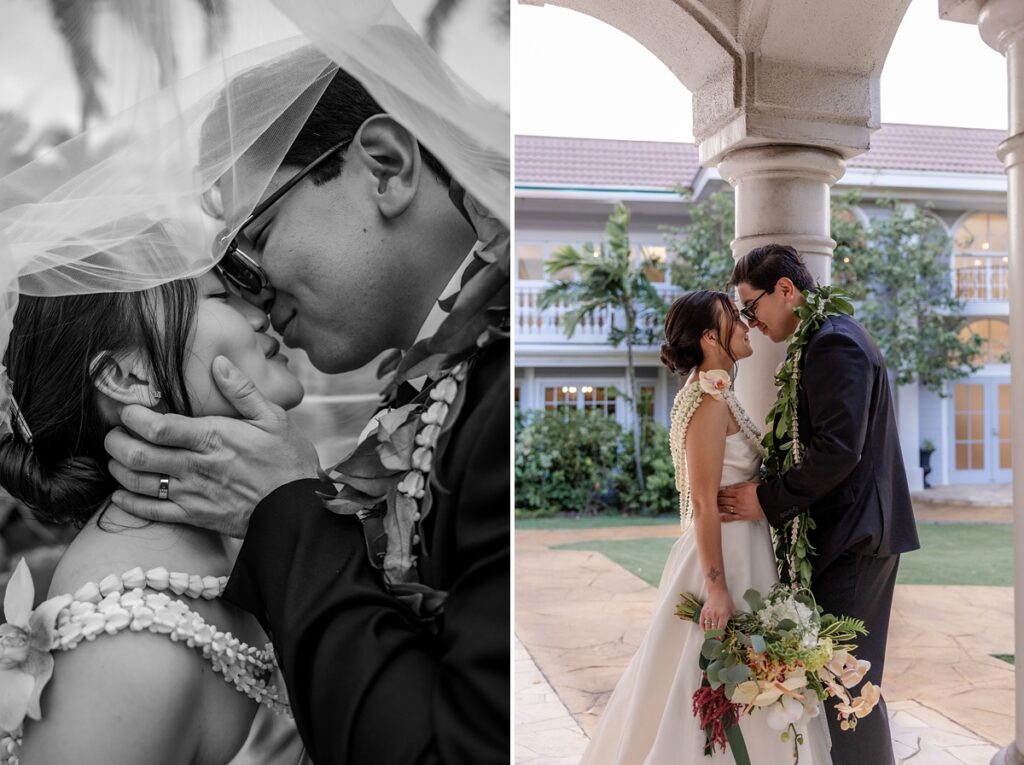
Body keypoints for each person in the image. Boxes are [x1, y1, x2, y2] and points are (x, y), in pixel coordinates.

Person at [103, 59, 510, 764]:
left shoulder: (506, 396)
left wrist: (287, 507)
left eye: (249, 244)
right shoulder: (434, 394)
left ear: (385, 167)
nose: (251, 296)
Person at [2, 269, 310, 764]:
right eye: (218, 296)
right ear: (127, 378)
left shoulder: (229, 549)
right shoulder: (122, 652)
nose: (260, 312)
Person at [580, 290, 831, 765]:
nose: (744, 323)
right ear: (710, 337)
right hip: (724, 561)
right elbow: (702, 501)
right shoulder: (708, 403)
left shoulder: (719, 392)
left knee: (752, 672)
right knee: (710, 677)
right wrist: (716, 590)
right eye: (733, 317)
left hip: (746, 550)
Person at [718, 243, 920, 765]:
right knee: (842, 680)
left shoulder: (835, 344)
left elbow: (838, 449)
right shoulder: (825, 338)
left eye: (751, 306)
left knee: (847, 686)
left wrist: (765, 499)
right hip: (855, 532)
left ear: (786, 290)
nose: (751, 321)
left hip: (857, 536)